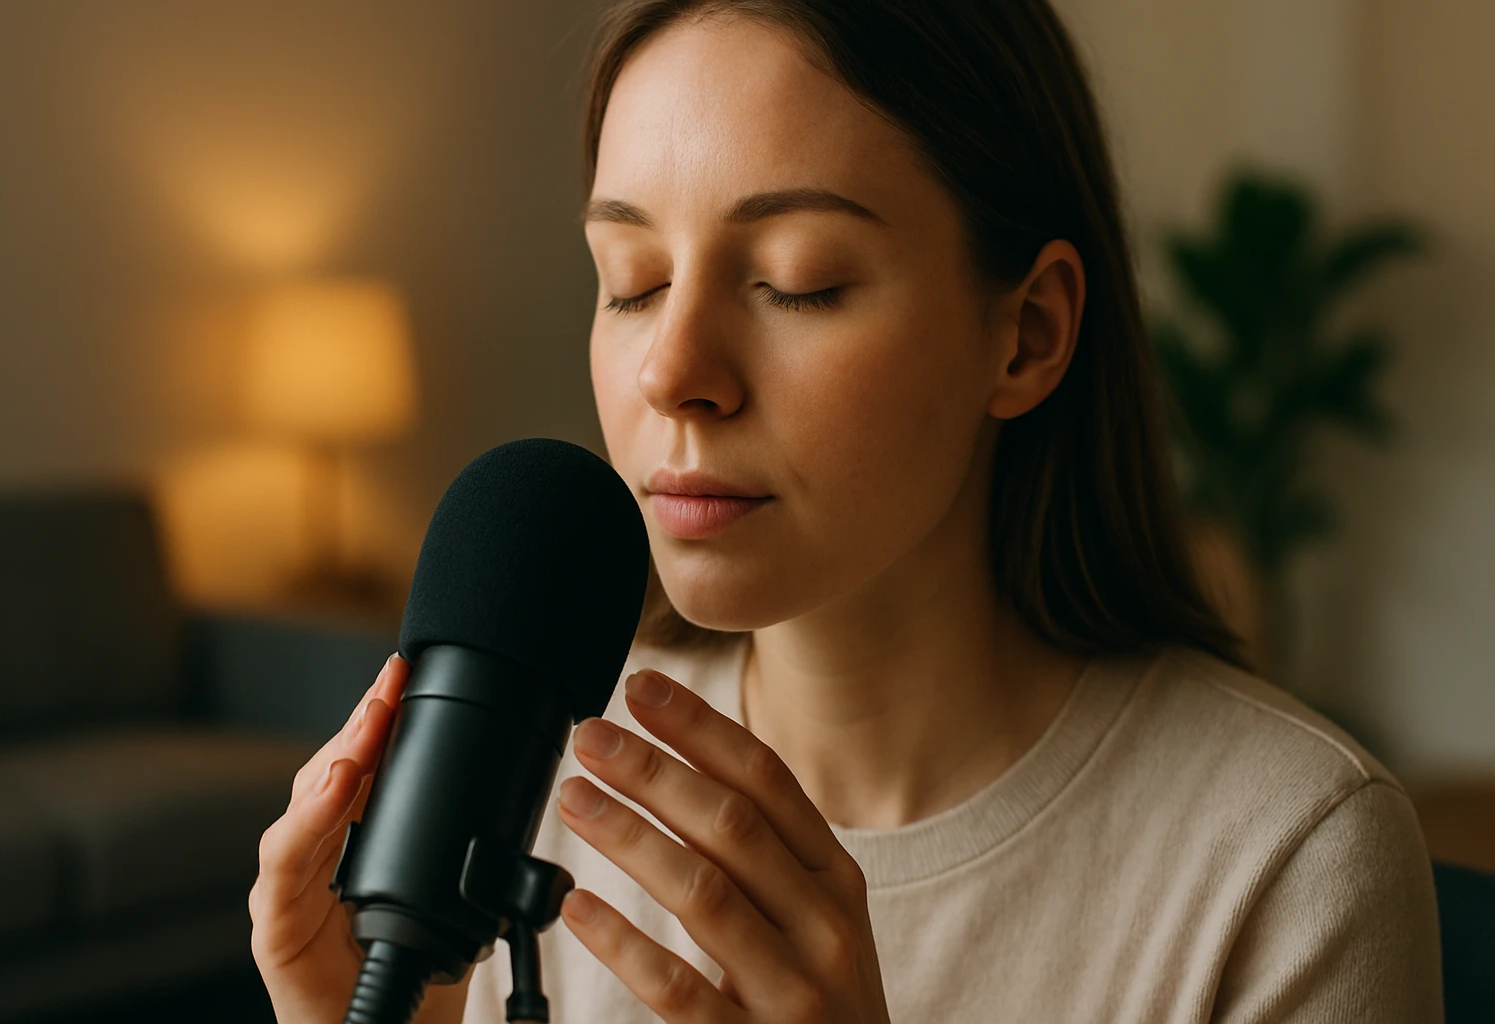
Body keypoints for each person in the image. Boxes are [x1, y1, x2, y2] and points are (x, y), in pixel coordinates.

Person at [249, 2, 1445, 1021]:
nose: (674, 372)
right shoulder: (553, 773)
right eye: (633, 283)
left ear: (1025, 333)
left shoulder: (1288, 863)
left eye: (797, 282)